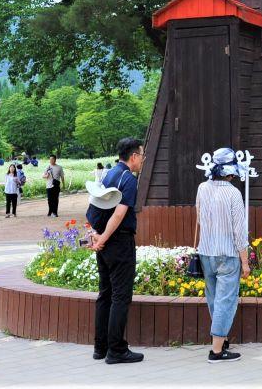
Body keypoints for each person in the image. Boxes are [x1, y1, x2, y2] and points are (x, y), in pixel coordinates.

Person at [86, 138, 145, 365]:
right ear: (133, 156)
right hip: (118, 242)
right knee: (120, 296)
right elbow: (119, 214)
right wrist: (104, 239)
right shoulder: (128, 179)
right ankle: (117, 350)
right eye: (141, 155)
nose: (142, 159)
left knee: (105, 294)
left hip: (104, 240)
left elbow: (94, 208)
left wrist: (97, 237)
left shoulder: (109, 174)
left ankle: (100, 348)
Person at [195, 147, 251, 363]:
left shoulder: (202, 188)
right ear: (230, 172)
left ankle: (222, 339)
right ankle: (217, 351)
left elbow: (199, 219)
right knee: (225, 301)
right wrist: (245, 263)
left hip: (206, 252)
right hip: (227, 254)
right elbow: (239, 231)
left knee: (214, 299)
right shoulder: (233, 193)